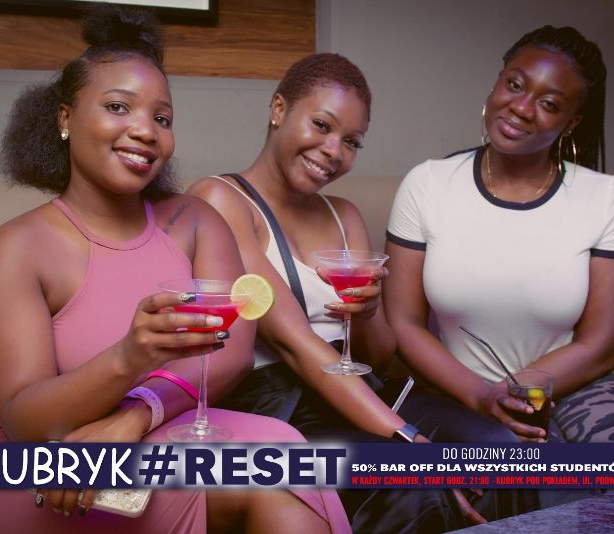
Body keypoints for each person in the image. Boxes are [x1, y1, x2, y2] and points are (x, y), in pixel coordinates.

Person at [0, 6, 349, 533]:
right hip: (40, 466)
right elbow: (25, 420)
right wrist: (128, 357)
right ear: (65, 119)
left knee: (283, 457)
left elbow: (232, 353)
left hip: (156, 432)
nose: (145, 130)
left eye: (162, 119)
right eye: (118, 107)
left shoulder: (196, 221)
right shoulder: (15, 248)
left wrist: (135, 415)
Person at [189, 53, 538, 532]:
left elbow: (379, 357)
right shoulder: (220, 200)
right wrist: (408, 438)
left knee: (499, 453)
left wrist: (368, 313)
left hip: (362, 393)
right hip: (283, 407)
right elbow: (293, 343)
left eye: (351, 141)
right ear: (278, 109)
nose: (334, 150)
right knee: (410, 480)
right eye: (321, 125)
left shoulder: (344, 215)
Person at [384, 25, 614, 445]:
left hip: (580, 386)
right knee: (519, 463)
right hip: (463, 391)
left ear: (571, 122)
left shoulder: (607, 197)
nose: (521, 107)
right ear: (496, 84)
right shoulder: (427, 184)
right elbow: (404, 324)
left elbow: (599, 347)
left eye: (549, 104)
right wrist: (484, 396)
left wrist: (517, 392)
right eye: (514, 85)